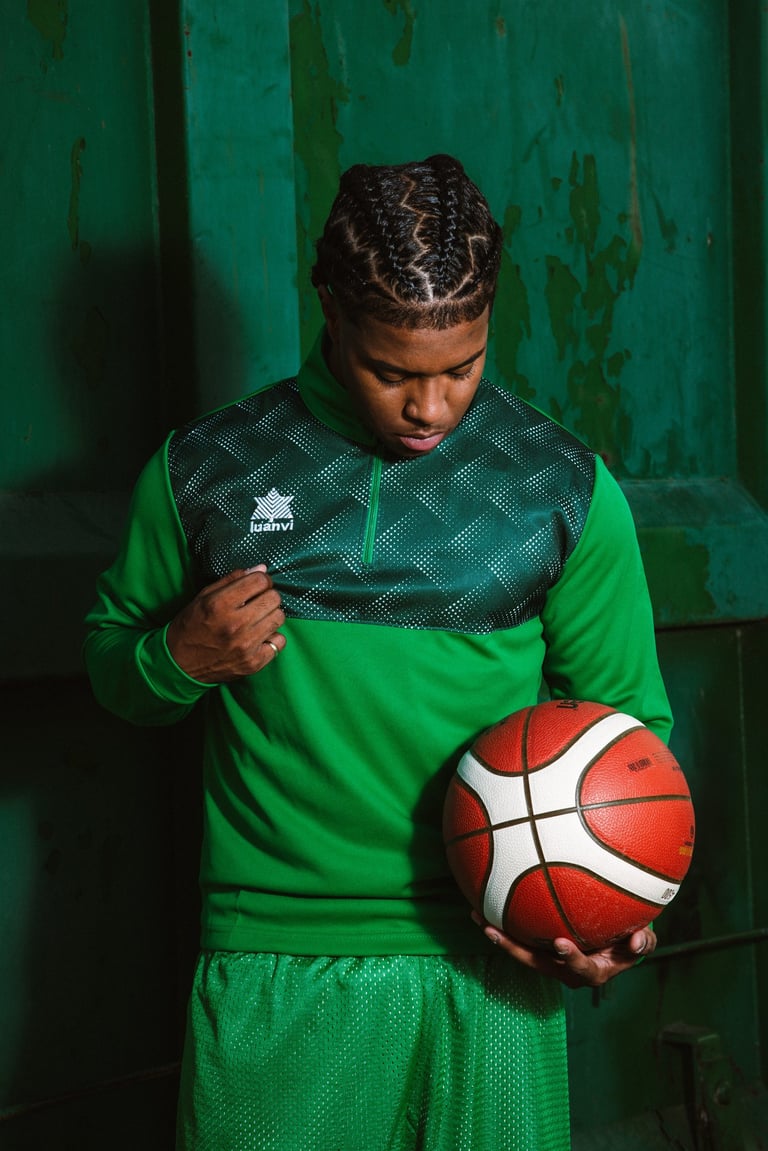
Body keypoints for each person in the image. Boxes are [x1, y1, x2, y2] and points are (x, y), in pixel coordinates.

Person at [84, 154, 672, 1151]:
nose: (430, 407)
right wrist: (176, 656)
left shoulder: (562, 485)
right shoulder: (207, 469)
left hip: (492, 959)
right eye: (393, 372)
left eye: (461, 367)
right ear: (331, 310)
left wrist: (616, 910)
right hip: (276, 954)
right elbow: (113, 663)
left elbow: (633, 735)